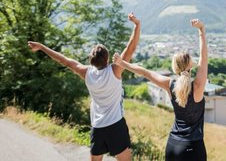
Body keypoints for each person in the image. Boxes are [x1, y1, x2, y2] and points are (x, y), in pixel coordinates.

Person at [27, 13, 141, 161]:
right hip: (116, 125)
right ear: (107, 59)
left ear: (91, 61)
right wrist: (137, 24)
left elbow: (65, 61)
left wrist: (42, 47)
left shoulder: (86, 73)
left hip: (98, 126)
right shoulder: (114, 70)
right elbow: (130, 48)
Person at [113, 19, 208, 161]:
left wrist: (122, 63)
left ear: (175, 68)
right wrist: (201, 30)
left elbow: (145, 72)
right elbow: (204, 58)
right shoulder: (198, 87)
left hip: (173, 145)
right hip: (193, 147)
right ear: (191, 65)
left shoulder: (170, 85)